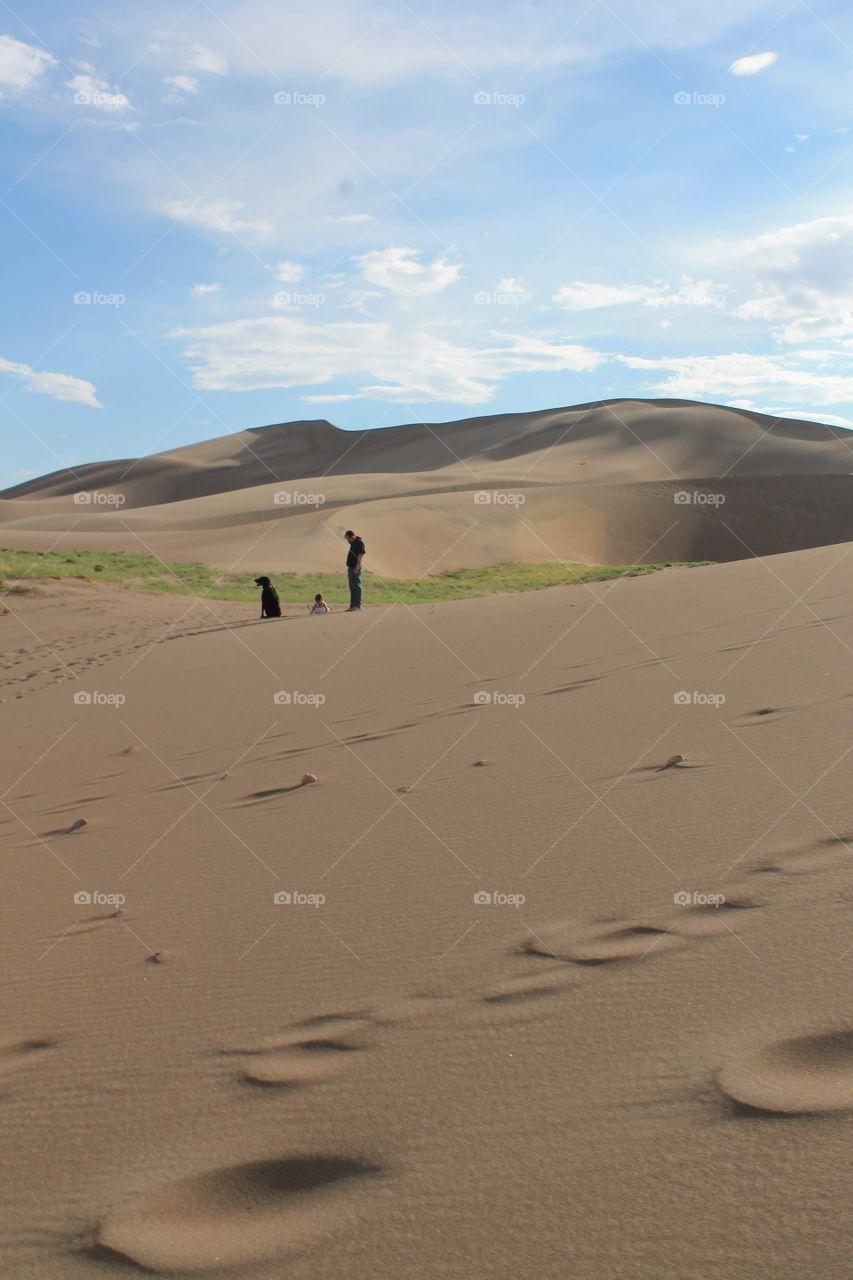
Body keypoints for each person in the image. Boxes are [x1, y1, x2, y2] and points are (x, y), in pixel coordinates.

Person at [344, 530, 365, 612]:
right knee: (352, 587)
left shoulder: (359, 543)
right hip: (351, 568)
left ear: (352, 536)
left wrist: (357, 567)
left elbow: (360, 556)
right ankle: (352, 605)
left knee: (356, 587)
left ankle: (357, 606)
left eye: (348, 539)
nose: (347, 541)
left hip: (355, 568)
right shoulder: (353, 542)